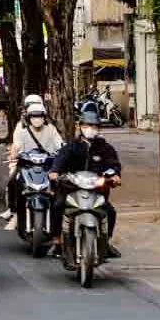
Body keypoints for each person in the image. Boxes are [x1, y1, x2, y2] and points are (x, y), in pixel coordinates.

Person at [48, 103, 122, 260]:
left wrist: (115, 176)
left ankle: (106, 242)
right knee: (57, 206)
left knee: (110, 212)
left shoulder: (105, 148)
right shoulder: (72, 147)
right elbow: (59, 161)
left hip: (97, 190)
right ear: (80, 126)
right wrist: (55, 172)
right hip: (71, 189)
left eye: (94, 126)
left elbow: (114, 165)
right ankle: (57, 241)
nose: (91, 128)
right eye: (88, 125)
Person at [3, 101, 64, 230]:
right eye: (34, 116)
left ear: (44, 117)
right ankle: (15, 213)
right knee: (13, 181)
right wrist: (14, 153)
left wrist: (62, 151)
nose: (37, 119)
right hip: (27, 165)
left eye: (40, 116)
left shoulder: (51, 129)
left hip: (47, 166)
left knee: (60, 185)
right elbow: (17, 145)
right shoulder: (23, 130)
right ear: (28, 117)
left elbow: (59, 143)